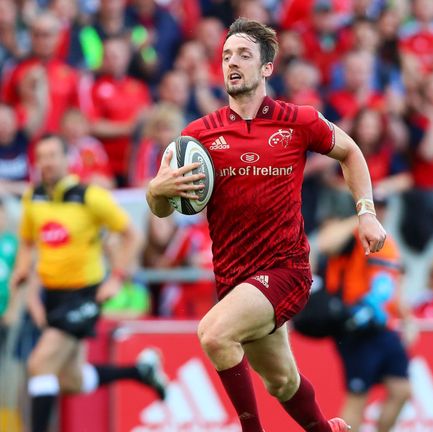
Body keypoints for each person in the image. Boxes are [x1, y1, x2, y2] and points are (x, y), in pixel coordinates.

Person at [145, 18, 387, 432]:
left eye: (243, 55)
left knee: (215, 335)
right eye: (225, 56)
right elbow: (165, 209)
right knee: (282, 381)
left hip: (286, 271)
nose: (232, 63)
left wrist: (366, 212)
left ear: (266, 68)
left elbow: (351, 152)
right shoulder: (197, 136)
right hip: (236, 279)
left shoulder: (299, 121)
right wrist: (156, 190)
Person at [4, 135, 167, 432]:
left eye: (53, 155)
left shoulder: (90, 196)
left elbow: (133, 235)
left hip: (83, 294)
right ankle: (140, 372)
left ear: (68, 160)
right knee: (71, 380)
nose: (47, 162)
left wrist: (117, 278)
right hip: (53, 294)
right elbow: (27, 242)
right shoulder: (33, 197)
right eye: (41, 157)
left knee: (39, 365)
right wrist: (23, 270)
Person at [317, 197, 412, 432]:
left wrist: (408, 319)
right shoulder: (353, 234)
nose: (380, 210)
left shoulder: (387, 241)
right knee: (357, 397)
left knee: (401, 390)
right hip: (355, 326)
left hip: (383, 327)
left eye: (382, 205)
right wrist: (363, 217)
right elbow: (325, 243)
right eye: (374, 204)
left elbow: (389, 285)